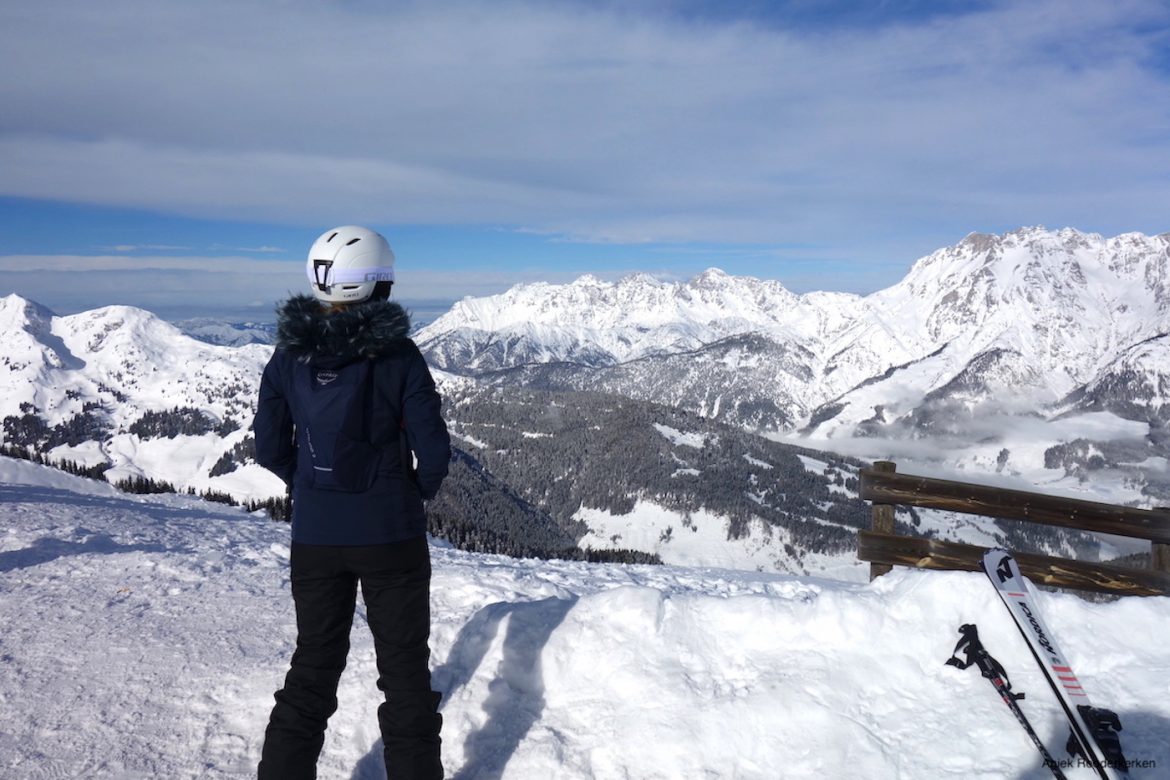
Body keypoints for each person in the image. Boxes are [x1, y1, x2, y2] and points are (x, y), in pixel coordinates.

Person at [253, 225, 450, 780]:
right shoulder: (399, 355)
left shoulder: (288, 354)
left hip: (316, 538)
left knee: (312, 668)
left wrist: (308, 487)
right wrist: (411, 494)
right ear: (377, 284)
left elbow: (268, 445)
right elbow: (433, 450)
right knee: (406, 675)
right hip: (392, 535)